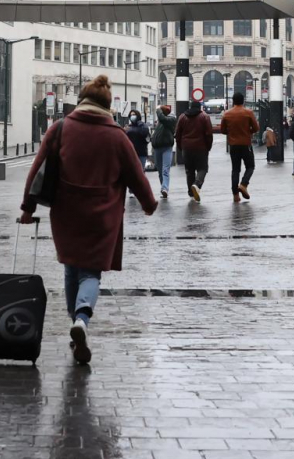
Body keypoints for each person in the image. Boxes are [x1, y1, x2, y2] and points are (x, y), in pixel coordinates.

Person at [20, 75, 158, 364]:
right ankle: (81, 319)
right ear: (107, 105)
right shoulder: (117, 136)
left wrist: (27, 208)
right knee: (91, 273)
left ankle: (76, 322)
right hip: (102, 214)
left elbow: (37, 170)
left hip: (66, 211)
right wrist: (148, 203)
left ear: (82, 100)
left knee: (72, 268)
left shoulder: (60, 129)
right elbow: (136, 175)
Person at [220, 92, 260, 203]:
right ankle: (243, 184)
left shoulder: (227, 114)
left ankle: (235, 195)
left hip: (233, 145)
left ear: (233, 101)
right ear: (243, 101)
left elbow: (223, 130)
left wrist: (232, 133)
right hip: (246, 144)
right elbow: (256, 128)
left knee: (235, 170)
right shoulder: (248, 113)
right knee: (250, 166)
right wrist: (248, 131)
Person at [175, 100, 214, 202]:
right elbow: (209, 134)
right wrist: (208, 147)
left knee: (189, 170)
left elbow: (177, 134)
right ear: (200, 107)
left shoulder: (182, 117)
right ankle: (197, 185)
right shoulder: (204, 117)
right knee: (203, 168)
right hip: (201, 148)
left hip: (186, 148)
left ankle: (191, 193)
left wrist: (181, 147)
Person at [152, 105, 177, 198]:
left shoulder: (171, 120)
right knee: (160, 170)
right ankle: (164, 188)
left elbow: (162, 118)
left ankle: (165, 188)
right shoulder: (161, 122)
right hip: (157, 147)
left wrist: (158, 109)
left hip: (166, 147)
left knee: (165, 169)